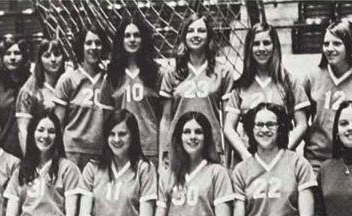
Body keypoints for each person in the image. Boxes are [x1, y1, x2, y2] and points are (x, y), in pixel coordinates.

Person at [224, 23, 309, 168]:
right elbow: (228, 128)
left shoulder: (289, 82)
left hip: (280, 162)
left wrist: (284, 152)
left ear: (275, 46)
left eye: (266, 43)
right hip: (248, 161)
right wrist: (245, 156)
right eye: (256, 44)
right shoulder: (241, 85)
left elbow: (302, 124)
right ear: (249, 48)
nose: (261, 48)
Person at [303, 20, 352, 173]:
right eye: (326, 44)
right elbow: (300, 121)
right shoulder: (312, 77)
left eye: (336, 44)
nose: (330, 49)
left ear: (349, 45)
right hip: (317, 162)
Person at [159, 14, 234, 166]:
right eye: (190, 31)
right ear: (184, 36)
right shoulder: (172, 71)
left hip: (211, 146)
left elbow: (228, 123)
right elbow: (166, 119)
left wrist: (227, 155)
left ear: (209, 36)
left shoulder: (223, 71)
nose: (195, 35)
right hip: (179, 146)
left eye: (201, 31)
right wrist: (163, 154)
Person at [99, 14, 163, 165]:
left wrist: (163, 153)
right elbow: (106, 122)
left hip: (150, 148)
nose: (132, 39)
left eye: (137, 35)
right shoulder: (112, 76)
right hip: (121, 150)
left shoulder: (157, 74)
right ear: (121, 41)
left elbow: (164, 118)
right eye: (127, 35)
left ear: (144, 40)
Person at [54, 24, 110, 170]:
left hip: (101, 152)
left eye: (98, 43)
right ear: (81, 46)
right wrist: (57, 154)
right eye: (88, 43)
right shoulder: (68, 79)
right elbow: (58, 123)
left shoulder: (109, 79)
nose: (93, 47)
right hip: (72, 151)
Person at [16, 38, 66, 154]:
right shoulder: (29, 91)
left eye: (57, 54)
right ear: (40, 60)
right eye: (47, 55)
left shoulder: (70, 86)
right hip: (40, 154)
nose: (53, 59)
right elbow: (22, 130)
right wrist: (29, 160)